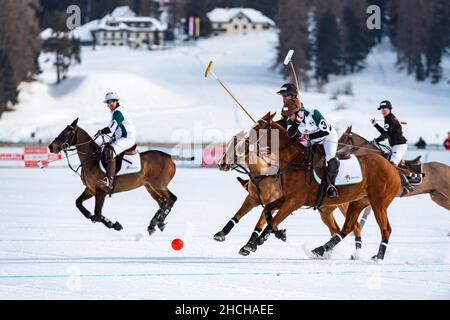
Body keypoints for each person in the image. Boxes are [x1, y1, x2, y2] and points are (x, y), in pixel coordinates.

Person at [236, 83, 299, 190]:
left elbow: (289, 123)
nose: (283, 97)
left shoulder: (297, 106)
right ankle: (255, 181)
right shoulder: (286, 107)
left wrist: (269, 125)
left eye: (286, 95)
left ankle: (268, 182)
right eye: (282, 95)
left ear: (293, 95)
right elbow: (284, 122)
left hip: (296, 141)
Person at [282, 98, 340, 198]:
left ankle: (331, 186)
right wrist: (296, 123)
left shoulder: (314, 113)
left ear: (297, 112)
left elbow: (325, 132)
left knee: (331, 158)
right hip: (310, 141)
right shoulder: (291, 120)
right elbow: (290, 134)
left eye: (290, 115)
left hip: (327, 137)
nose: (289, 117)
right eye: (287, 115)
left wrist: (308, 137)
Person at [96, 92, 136, 194]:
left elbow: (111, 128)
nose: (109, 105)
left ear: (116, 101)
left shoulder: (118, 112)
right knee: (106, 147)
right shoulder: (116, 111)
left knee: (110, 151)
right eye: (107, 102)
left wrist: (102, 131)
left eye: (110, 102)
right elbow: (118, 128)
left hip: (127, 138)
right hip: (122, 137)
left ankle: (109, 182)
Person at [371, 100, 412, 192]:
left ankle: (407, 185)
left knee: (391, 166)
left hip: (399, 145)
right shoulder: (388, 119)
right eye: (381, 109)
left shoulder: (390, 119)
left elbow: (385, 136)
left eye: (385, 108)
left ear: (390, 109)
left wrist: (375, 141)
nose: (383, 110)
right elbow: (385, 133)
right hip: (395, 146)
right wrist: (375, 125)